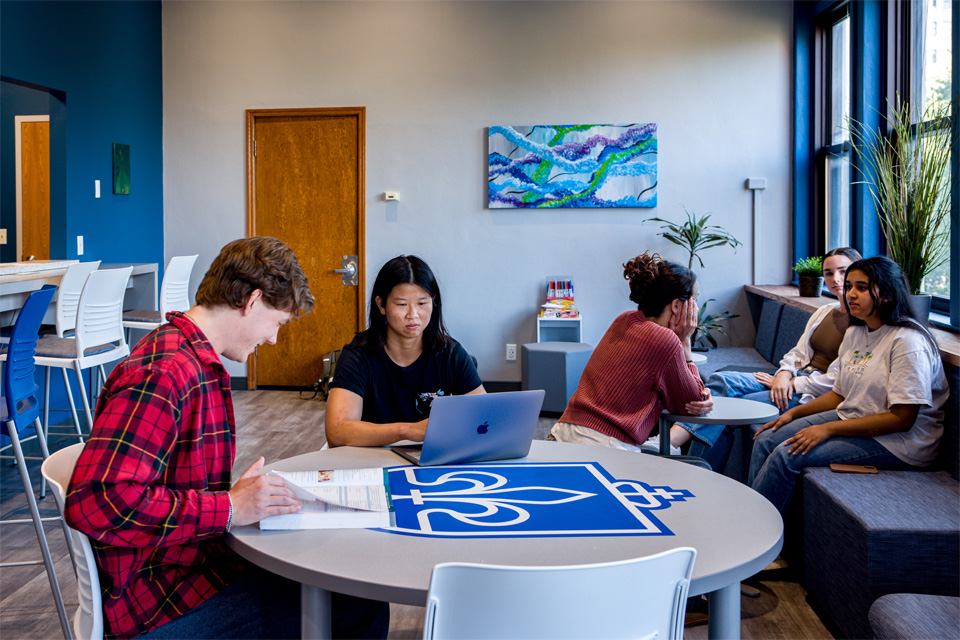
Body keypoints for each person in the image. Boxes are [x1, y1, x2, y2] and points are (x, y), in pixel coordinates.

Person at [65, 237, 389, 639]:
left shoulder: (188, 357)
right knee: (357, 602)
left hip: (189, 570)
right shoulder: (166, 372)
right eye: (277, 322)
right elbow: (96, 502)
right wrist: (229, 506)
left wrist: (233, 499)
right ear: (252, 302)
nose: (272, 339)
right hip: (157, 602)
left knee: (343, 585)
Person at [748, 256, 948, 514]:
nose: (850, 294)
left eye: (862, 288)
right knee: (766, 438)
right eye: (850, 286)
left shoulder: (908, 342)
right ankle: (749, 518)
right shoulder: (856, 332)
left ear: (886, 294)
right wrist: (791, 414)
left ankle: (760, 534)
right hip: (854, 415)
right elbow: (838, 395)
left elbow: (902, 419)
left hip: (900, 442)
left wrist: (828, 429)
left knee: (787, 454)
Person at [669, 247, 863, 470]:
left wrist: (791, 383)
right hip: (793, 378)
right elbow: (797, 352)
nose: (835, 279)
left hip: (810, 392)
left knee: (726, 408)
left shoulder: (861, 322)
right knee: (723, 379)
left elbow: (839, 381)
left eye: (842, 271)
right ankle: (683, 452)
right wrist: (783, 373)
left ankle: (685, 462)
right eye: (828, 273)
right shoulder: (825, 310)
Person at [548, 252, 713, 451]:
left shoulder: (624, 319)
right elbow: (693, 402)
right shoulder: (666, 340)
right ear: (677, 305)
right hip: (600, 446)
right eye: (694, 300)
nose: (696, 308)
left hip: (561, 435)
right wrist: (685, 340)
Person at [326, 255, 484, 447]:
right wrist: (407, 431)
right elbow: (337, 432)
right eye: (401, 304)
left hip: (431, 461)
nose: (413, 315)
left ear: (433, 302)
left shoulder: (451, 354)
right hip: (373, 460)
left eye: (422, 303)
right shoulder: (358, 356)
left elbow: (484, 418)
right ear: (381, 305)